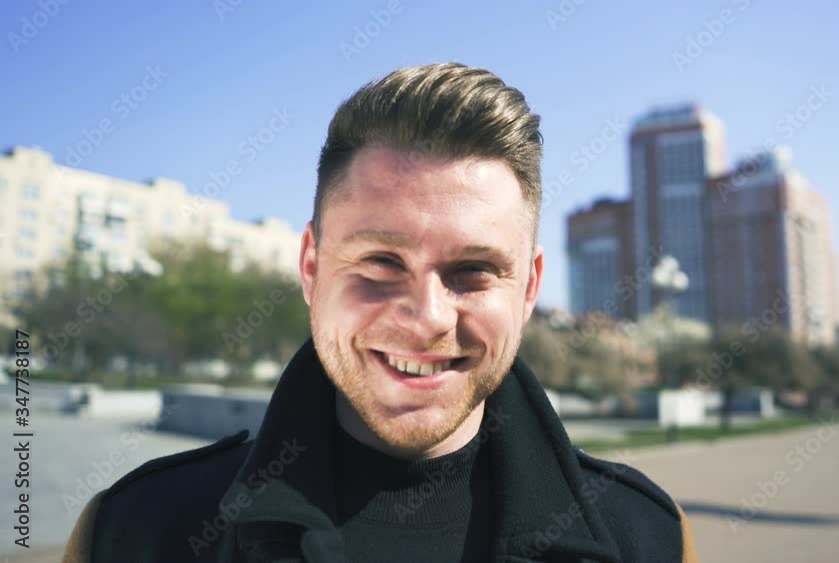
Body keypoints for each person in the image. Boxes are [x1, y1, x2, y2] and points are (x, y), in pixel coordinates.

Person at [62, 63, 700, 563]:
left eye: (472, 271)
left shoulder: (645, 538)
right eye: (380, 264)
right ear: (311, 266)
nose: (427, 318)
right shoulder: (137, 533)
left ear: (528, 288)